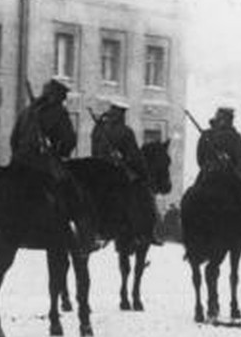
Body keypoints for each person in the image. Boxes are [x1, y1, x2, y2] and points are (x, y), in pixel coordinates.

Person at [11, 78, 91, 246]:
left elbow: (13, 139)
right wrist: (60, 152)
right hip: (41, 163)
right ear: (57, 96)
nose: (62, 101)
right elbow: (69, 141)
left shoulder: (27, 111)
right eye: (62, 97)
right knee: (72, 188)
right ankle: (81, 235)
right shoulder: (58, 112)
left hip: (18, 162)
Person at [91, 98, 161, 247]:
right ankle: (145, 232)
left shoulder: (98, 128)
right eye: (122, 113)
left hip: (96, 172)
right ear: (121, 114)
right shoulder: (125, 131)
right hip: (116, 173)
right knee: (142, 195)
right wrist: (143, 174)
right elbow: (135, 156)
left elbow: (94, 151)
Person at [196, 106, 241, 256]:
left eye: (229, 119)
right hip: (220, 176)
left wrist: (228, 163)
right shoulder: (210, 135)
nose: (228, 121)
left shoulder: (227, 135)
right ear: (219, 118)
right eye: (226, 118)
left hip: (212, 175)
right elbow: (201, 158)